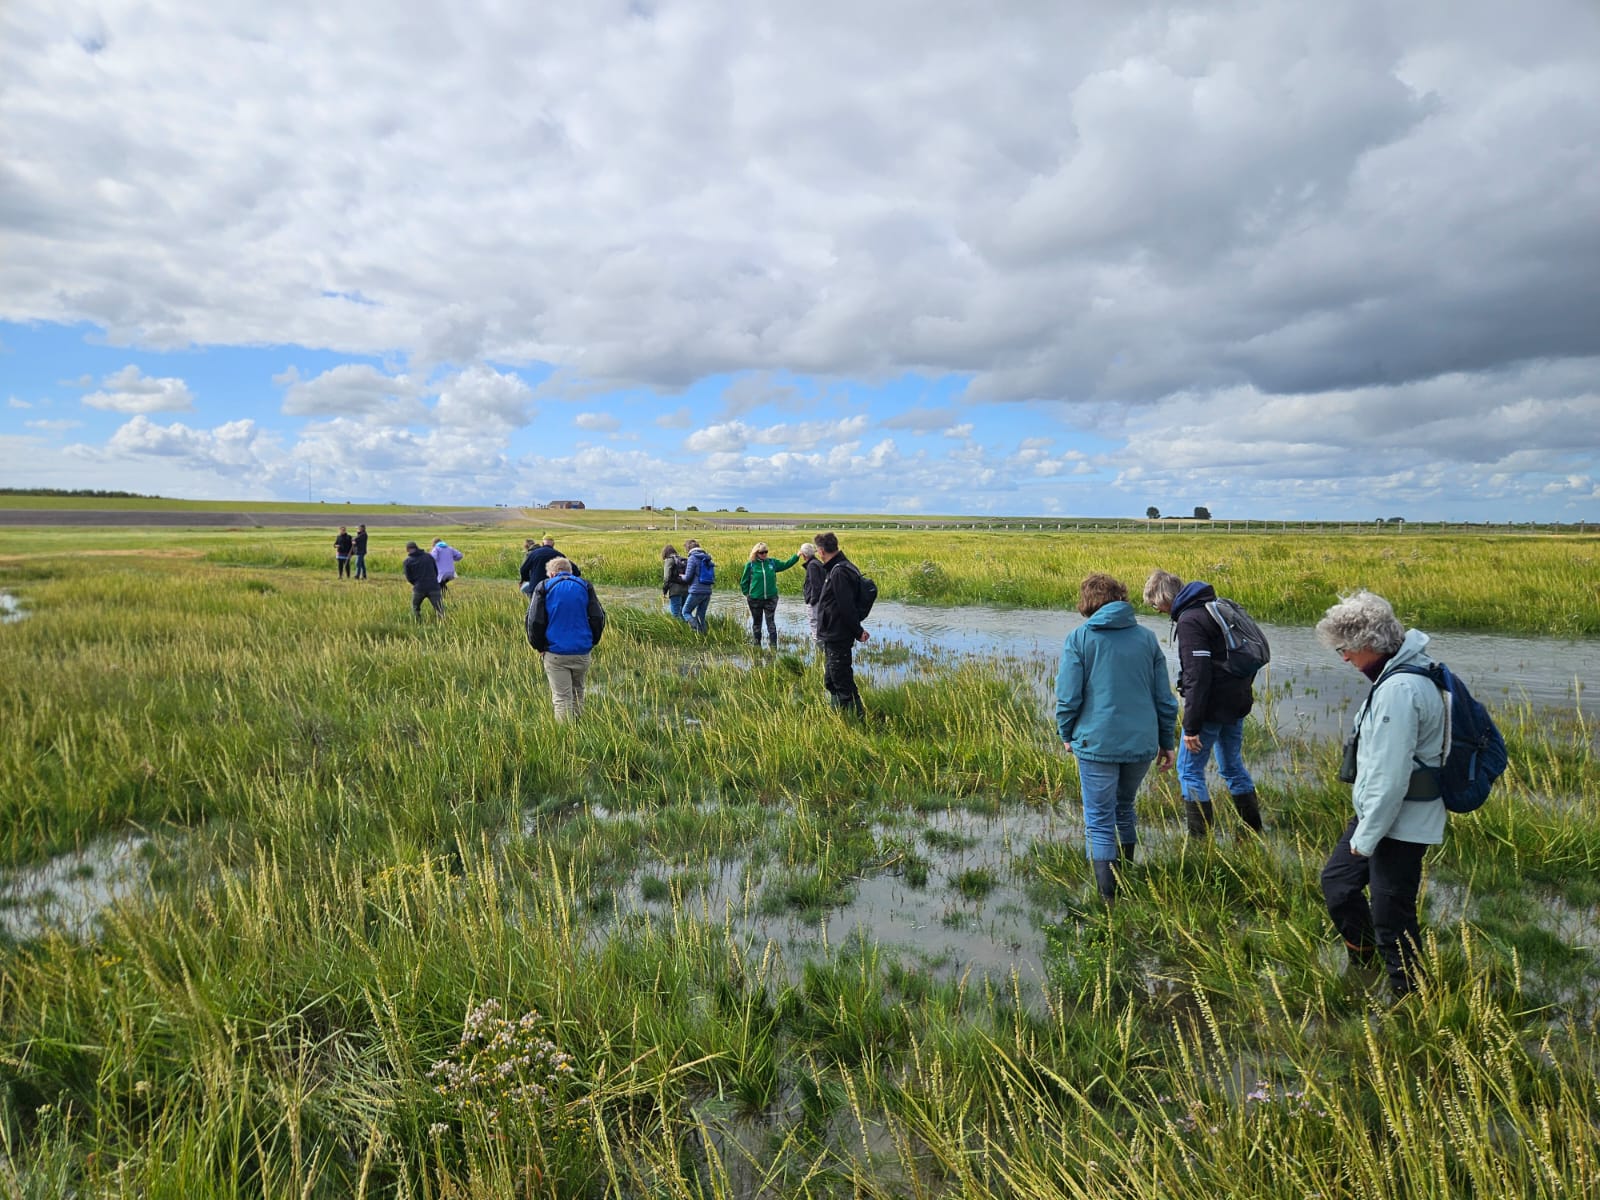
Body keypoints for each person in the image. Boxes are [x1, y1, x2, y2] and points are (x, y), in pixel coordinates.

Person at [1315, 590, 1447, 998]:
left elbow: (1391, 777)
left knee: (1392, 914)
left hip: (1400, 822)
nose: (1343, 658)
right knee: (1338, 883)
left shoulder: (1399, 689)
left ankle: (1410, 1000)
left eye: (1345, 649)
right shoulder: (1399, 675)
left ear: (1368, 644)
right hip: (1381, 814)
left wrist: (1366, 840)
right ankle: (1365, 962)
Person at [1055, 573, 1178, 902]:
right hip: (1141, 744)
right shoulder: (1147, 638)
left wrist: (1066, 733)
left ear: (1086, 603)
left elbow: (1068, 698)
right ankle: (1125, 877)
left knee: (1098, 818)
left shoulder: (1079, 638)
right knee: (1124, 808)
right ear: (1121, 598)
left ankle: (1107, 900)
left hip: (1095, 744)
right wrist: (1166, 742)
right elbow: (1165, 699)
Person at [1143, 570, 1263, 838]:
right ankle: (1253, 832)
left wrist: (1192, 725)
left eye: (1155, 604)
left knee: (1188, 770)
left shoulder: (1190, 620)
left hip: (1211, 708)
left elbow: (1198, 676)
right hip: (1236, 702)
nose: (1157, 610)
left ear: (1164, 597)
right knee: (1232, 766)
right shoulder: (1214, 609)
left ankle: (1200, 841)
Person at [525, 556, 606, 721]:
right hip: (582, 651)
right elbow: (598, 617)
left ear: (552, 573)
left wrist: (539, 646)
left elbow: (534, 621)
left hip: (555, 653)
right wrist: (592, 642)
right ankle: (578, 728)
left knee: (562, 697)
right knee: (578, 693)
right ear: (569, 571)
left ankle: (567, 739)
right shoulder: (585, 586)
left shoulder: (544, 587)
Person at [813, 531, 870, 715]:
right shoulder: (840, 567)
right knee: (831, 678)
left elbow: (846, 607)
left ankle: (857, 718)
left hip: (838, 633)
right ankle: (838, 715)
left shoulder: (839, 571)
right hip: (834, 633)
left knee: (842, 678)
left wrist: (857, 630)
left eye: (817, 551)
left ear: (821, 551)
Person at [738, 541, 800, 647]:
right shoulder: (751, 565)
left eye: (766, 552)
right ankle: (757, 646)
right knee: (757, 623)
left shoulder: (772, 563)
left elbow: (786, 564)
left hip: (771, 599)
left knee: (771, 623)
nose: (764, 554)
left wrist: (797, 556)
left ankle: (773, 647)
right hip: (755, 599)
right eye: (761, 552)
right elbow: (744, 582)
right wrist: (747, 594)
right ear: (756, 553)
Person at [403, 540, 444, 619]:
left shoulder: (407, 561)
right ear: (417, 547)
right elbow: (436, 571)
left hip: (419, 588)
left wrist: (416, 583)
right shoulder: (428, 556)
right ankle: (443, 624)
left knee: (415, 607)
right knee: (440, 608)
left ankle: (418, 624)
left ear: (407, 549)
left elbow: (409, 577)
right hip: (433, 586)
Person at [680, 538, 714, 633]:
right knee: (701, 616)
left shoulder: (692, 558)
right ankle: (703, 636)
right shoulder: (707, 558)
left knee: (685, 612)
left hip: (696, 591)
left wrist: (681, 576)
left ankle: (697, 627)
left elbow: (687, 577)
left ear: (688, 548)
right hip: (707, 591)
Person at [798, 543, 824, 642]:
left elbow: (815, 585)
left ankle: (819, 652)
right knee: (820, 624)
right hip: (820, 600)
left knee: (815, 624)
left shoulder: (812, 565)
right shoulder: (817, 563)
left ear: (804, 555)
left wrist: (812, 601)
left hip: (815, 601)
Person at [661, 544, 689, 620]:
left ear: (665, 553)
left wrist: (664, 591)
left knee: (676, 614)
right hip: (686, 589)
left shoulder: (669, 560)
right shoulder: (683, 559)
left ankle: (679, 631)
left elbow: (666, 577)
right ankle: (688, 629)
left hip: (675, 590)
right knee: (684, 613)